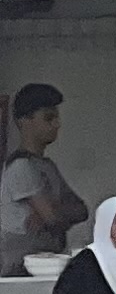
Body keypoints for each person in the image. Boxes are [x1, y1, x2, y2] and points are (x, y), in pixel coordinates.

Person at [2, 82, 84, 258]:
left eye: (57, 117)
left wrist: (51, 211)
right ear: (24, 122)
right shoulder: (21, 166)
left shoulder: (47, 166)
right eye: (48, 118)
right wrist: (56, 212)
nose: (57, 124)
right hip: (22, 265)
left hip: (49, 259)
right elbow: (53, 219)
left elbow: (82, 210)